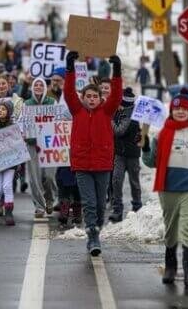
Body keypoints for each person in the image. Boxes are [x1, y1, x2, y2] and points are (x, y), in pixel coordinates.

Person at [142, 88, 188, 293]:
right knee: (171, 229)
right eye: (177, 108)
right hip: (168, 186)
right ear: (172, 110)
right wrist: (144, 145)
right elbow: (151, 161)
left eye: (184, 109)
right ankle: (170, 266)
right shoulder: (162, 133)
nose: (180, 112)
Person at [64, 51, 123, 256]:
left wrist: (117, 71)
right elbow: (68, 93)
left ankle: (96, 227)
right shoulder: (77, 110)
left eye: (95, 96)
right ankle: (93, 237)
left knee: (99, 205)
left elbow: (116, 95)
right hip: (82, 165)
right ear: (82, 98)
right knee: (89, 203)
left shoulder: (107, 111)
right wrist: (70, 68)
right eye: (88, 96)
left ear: (100, 98)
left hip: (102, 164)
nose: (91, 99)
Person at [23, 78, 57, 217]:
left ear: (44, 88)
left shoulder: (52, 103)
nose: (38, 87)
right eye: (35, 85)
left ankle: (49, 199)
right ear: (32, 88)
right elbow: (22, 124)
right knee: (35, 178)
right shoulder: (27, 104)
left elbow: (58, 122)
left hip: (49, 144)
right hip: (32, 144)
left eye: (40, 85)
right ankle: (39, 206)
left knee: (49, 177)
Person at [108, 87, 142, 223]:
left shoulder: (130, 116)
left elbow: (118, 131)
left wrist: (110, 120)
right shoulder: (119, 113)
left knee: (134, 182)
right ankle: (117, 209)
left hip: (131, 154)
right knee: (116, 180)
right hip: (120, 153)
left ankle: (137, 206)